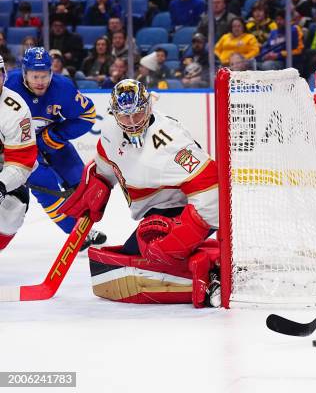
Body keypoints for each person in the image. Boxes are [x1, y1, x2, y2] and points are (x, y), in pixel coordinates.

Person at [57, 79, 220, 308]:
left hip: (188, 210)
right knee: (131, 258)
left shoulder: (172, 142)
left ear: (148, 107)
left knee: (148, 260)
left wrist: (185, 235)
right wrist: (98, 184)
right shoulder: (112, 131)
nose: (132, 122)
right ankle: (210, 258)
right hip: (156, 210)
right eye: (125, 116)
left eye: (138, 113)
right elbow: (106, 162)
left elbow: (213, 190)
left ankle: (210, 268)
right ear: (114, 113)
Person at [4, 48, 106, 250]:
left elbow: (88, 115)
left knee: (81, 181)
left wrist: (56, 136)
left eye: (44, 75)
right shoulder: (9, 86)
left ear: (52, 72)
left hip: (49, 141)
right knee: (48, 187)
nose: (40, 81)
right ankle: (76, 233)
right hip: (20, 150)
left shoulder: (62, 88)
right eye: (35, 76)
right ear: (25, 73)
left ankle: (83, 225)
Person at [0, 54, 37, 252]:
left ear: (4, 76)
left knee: (12, 212)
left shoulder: (15, 109)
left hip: (5, 173)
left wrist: (2, 185)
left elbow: (21, 162)